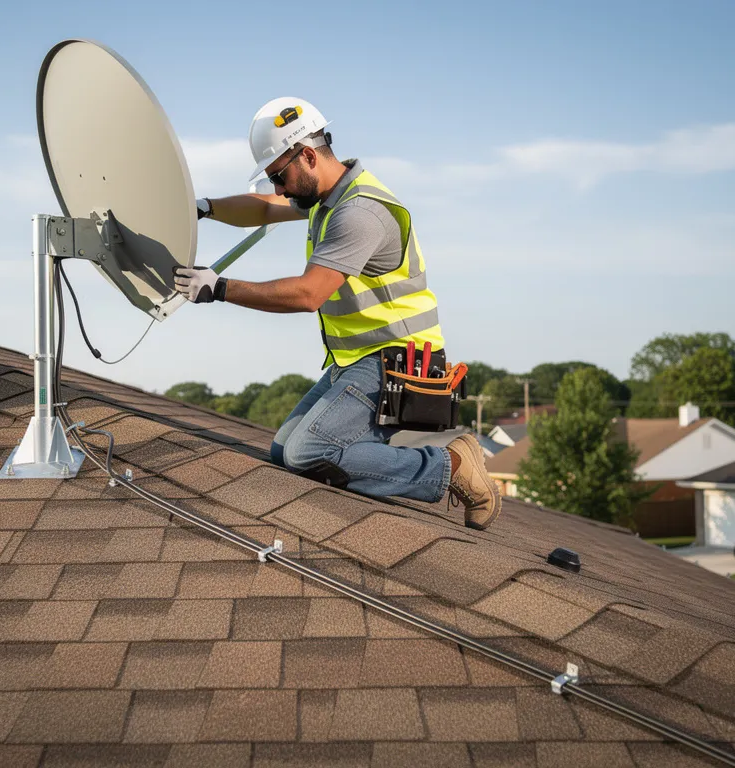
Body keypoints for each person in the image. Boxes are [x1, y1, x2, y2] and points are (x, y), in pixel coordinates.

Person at [174, 98, 500, 530]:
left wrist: (220, 289)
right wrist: (203, 207)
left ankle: (451, 466)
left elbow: (309, 294)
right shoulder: (328, 197)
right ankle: (406, 458)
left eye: (279, 176)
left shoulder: (360, 213)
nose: (278, 189)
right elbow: (263, 208)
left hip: (397, 361)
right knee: (284, 451)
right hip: (359, 360)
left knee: (308, 453)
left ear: (308, 156)